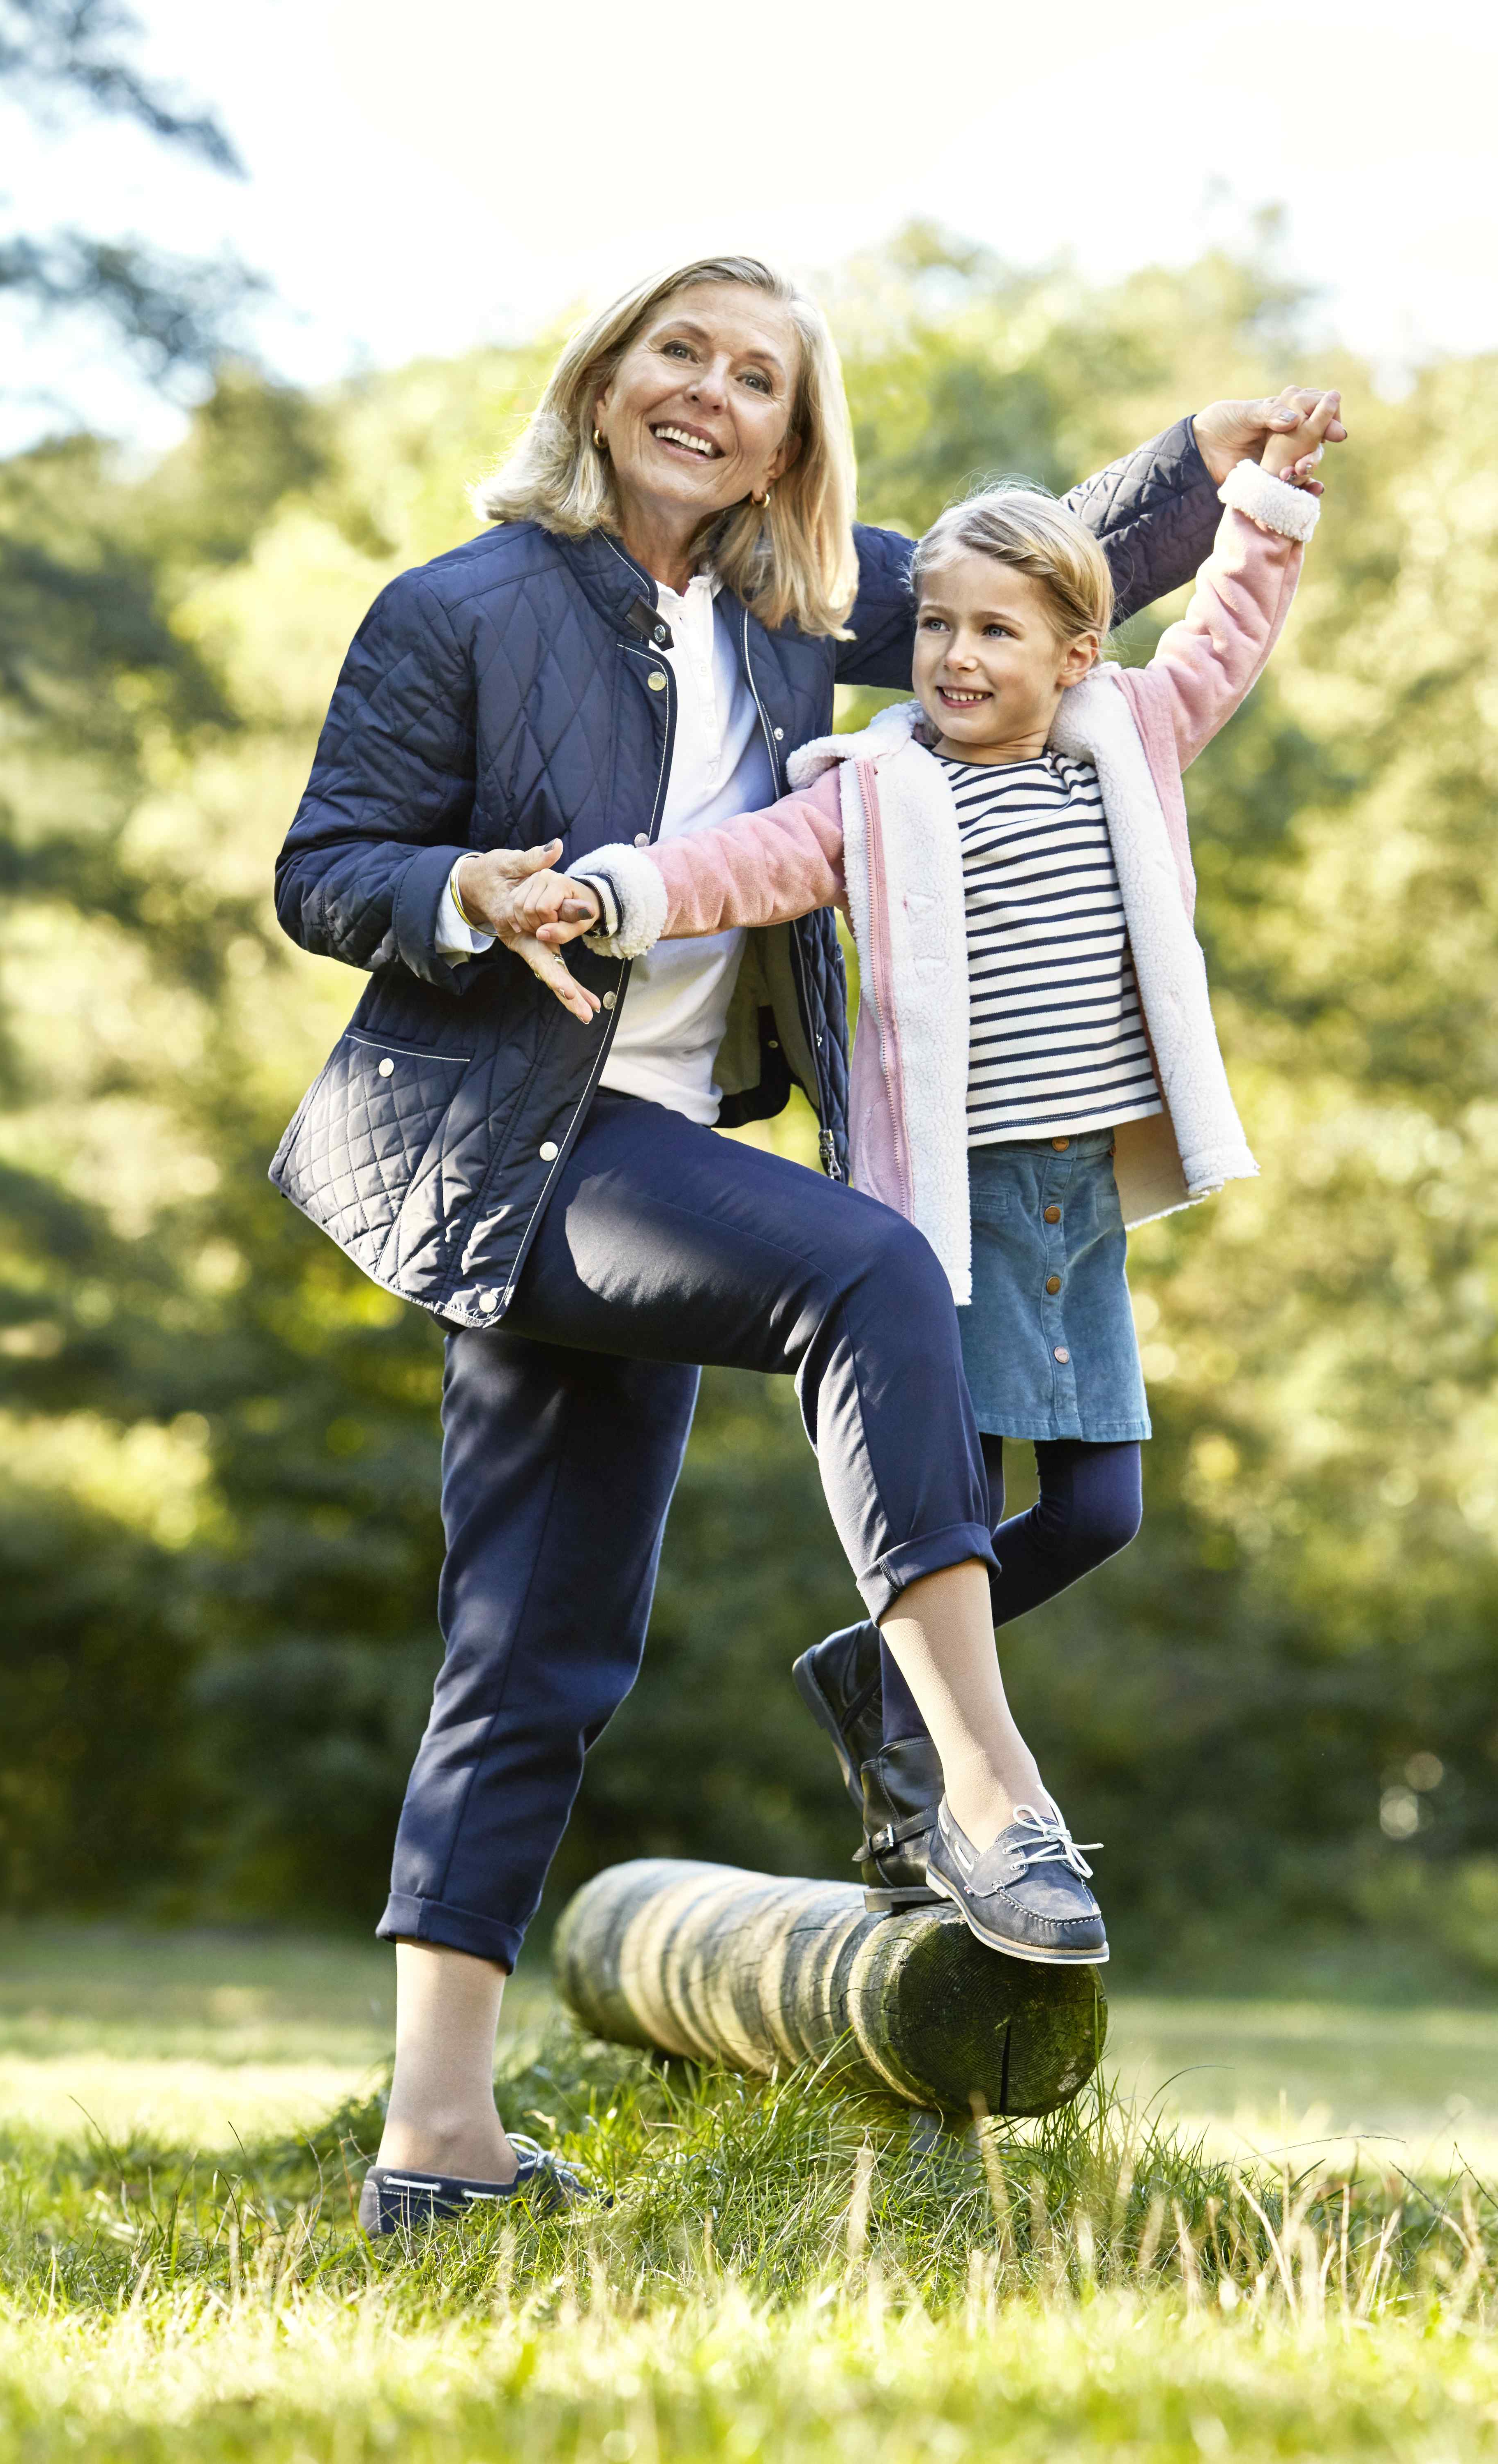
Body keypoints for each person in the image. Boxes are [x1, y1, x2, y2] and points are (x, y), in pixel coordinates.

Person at [270, 250, 1344, 2238]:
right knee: (858, 1274)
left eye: (755, 376)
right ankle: (979, 1788)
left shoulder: (794, 596)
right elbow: (321, 870)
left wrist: (1197, 466)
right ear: (603, 377)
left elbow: (1034, 570)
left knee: (546, 1642)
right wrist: (458, 887)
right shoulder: (459, 609)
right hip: (508, 1147)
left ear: (789, 433)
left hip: (665, 1151)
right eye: (678, 351)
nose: (710, 393)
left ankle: (435, 2148)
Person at [510, 416, 1336, 1913]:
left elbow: (1225, 637)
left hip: (1073, 1202)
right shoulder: (875, 793)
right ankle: (931, 1794)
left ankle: (872, 1669)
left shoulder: (1133, 742)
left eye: (995, 632)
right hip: (939, 1213)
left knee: (1101, 1514)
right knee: (951, 1504)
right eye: (936, 626)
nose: (954, 657)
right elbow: (740, 864)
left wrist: (1266, 504)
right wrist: (618, 890)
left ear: (1077, 654)